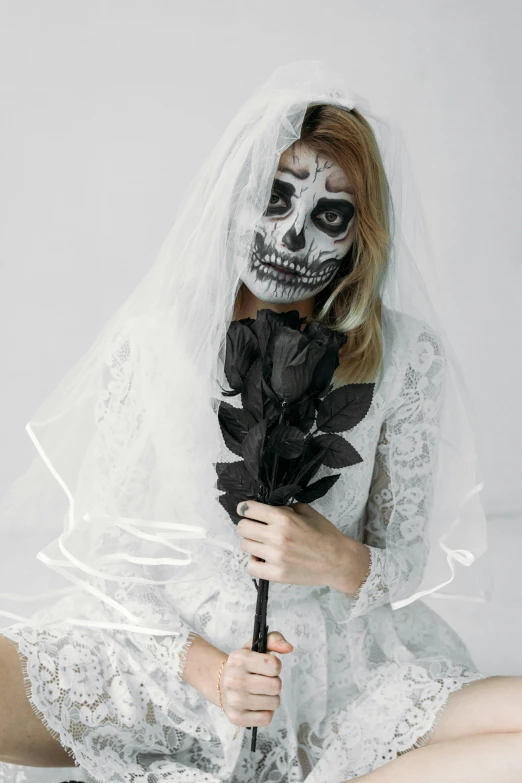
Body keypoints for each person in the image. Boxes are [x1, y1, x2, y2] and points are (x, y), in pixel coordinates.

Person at [1, 61, 520, 783]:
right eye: (274, 199)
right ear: (235, 197)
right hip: (177, 663)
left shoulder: (402, 357)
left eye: (329, 214)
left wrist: (335, 558)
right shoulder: (153, 345)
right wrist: (214, 674)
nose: (294, 235)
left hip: (342, 673)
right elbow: (110, 564)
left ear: (358, 235)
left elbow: (400, 561)